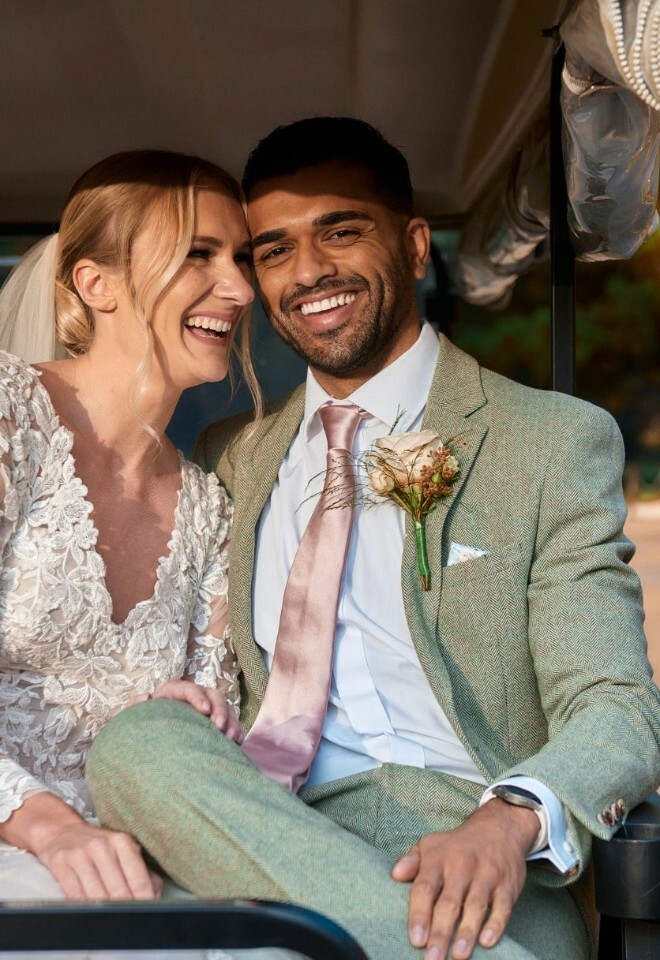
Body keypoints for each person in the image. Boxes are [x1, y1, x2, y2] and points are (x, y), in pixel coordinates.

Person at [87, 119, 660, 960]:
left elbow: (617, 706)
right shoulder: (230, 457)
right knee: (138, 741)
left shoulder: (549, 440)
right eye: (273, 251)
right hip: (269, 827)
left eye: (341, 232)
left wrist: (511, 819)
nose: (307, 271)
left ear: (417, 246)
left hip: (471, 852)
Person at [0, 149, 298, 960]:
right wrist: (51, 830)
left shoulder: (210, 505)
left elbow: (204, 732)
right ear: (97, 285)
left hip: (144, 855)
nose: (240, 290)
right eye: (198, 255)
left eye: (240, 257)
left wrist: (200, 718)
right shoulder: (8, 419)